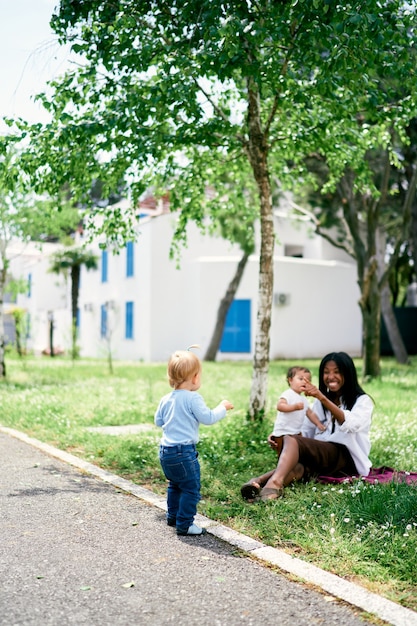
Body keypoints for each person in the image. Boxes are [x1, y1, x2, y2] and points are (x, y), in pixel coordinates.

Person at [241, 352, 373, 503]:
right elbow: (306, 431)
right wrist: (279, 435)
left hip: (347, 458)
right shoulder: (319, 403)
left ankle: (274, 483)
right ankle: (258, 486)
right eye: (326, 372)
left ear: (348, 374)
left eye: (337, 372)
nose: (331, 377)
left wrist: (321, 397)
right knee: (297, 467)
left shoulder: (362, 401)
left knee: (293, 440)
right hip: (324, 458)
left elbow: (351, 424)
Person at [155, 346, 234, 536]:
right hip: (184, 453)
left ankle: (173, 516)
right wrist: (222, 407)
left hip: (165, 452)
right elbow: (207, 418)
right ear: (195, 377)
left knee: (175, 485)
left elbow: (158, 421)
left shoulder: (166, 399)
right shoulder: (193, 398)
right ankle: (185, 524)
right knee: (191, 489)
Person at [270, 366, 326, 456]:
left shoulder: (303, 399)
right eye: (300, 379)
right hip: (283, 431)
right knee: (283, 452)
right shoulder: (288, 394)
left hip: (296, 431)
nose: (304, 381)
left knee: (297, 450)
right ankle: (283, 465)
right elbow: (280, 406)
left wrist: (318, 424)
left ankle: (295, 463)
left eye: (308, 379)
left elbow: (310, 413)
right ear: (290, 380)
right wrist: (294, 407)